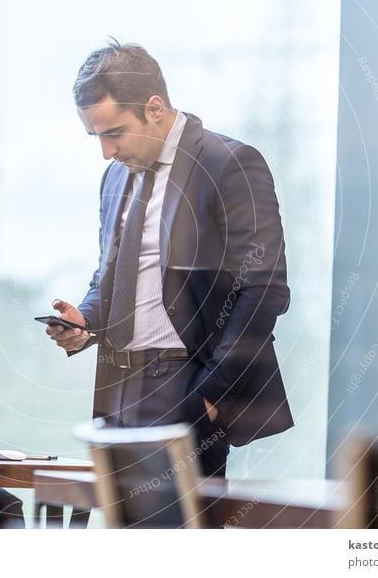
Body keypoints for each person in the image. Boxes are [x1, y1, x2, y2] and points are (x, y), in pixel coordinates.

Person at [46, 41, 293, 477]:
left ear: (155, 108)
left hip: (185, 383)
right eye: (96, 136)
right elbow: (117, 275)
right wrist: (84, 321)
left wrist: (209, 397)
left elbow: (263, 289)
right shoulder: (115, 176)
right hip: (116, 388)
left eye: (114, 132)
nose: (106, 151)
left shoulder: (230, 164)